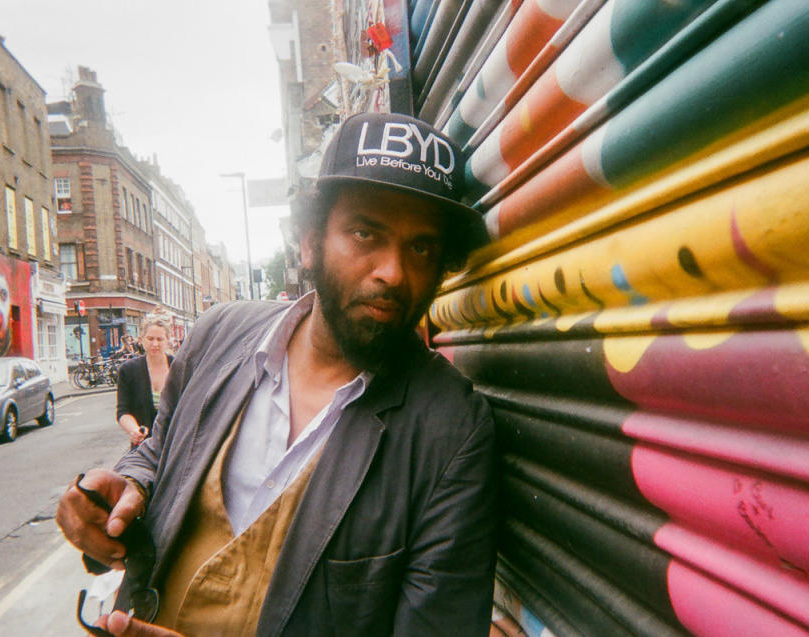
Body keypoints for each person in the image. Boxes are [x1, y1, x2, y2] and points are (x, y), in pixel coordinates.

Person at [57, 112, 496, 636]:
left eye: (421, 246)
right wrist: (126, 487)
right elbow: (162, 448)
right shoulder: (218, 333)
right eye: (365, 232)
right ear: (309, 242)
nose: (393, 271)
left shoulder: (451, 431)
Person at [115, 314, 174, 447]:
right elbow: (123, 411)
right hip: (143, 446)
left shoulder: (180, 368)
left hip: (176, 446)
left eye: (160, 339)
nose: (155, 344)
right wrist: (134, 430)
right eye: (150, 338)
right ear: (141, 339)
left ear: (168, 340)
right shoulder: (128, 370)